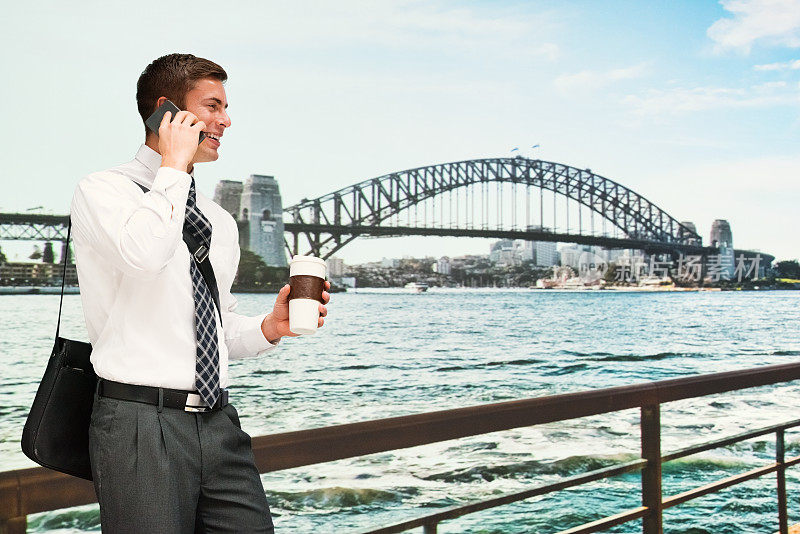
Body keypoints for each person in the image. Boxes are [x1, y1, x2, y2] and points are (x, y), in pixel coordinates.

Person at [70, 53, 329, 533]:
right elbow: (144, 254)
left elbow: (215, 328)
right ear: (168, 112)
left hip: (218, 423)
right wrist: (174, 165)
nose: (225, 121)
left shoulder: (220, 221)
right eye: (212, 106)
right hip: (140, 424)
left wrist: (269, 328)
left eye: (226, 108)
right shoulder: (102, 191)